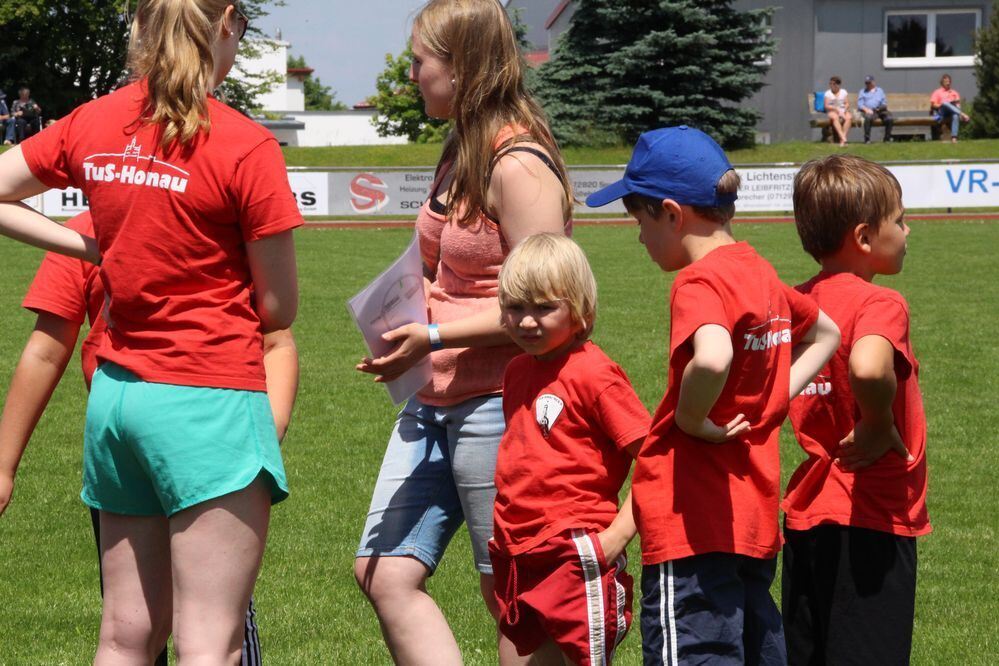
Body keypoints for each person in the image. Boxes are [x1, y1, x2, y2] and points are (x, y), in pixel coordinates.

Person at [0, 1, 301, 662]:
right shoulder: (245, 143)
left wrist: (87, 249)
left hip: (115, 400)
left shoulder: (95, 119)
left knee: (125, 634)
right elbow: (277, 309)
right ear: (225, 24)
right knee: (208, 640)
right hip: (208, 397)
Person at [352, 1, 574, 663]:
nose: (413, 75)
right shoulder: (461, 147)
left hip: (500, 407)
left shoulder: (518, 164)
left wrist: (436, 338)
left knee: (513, 603)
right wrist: (402, 327)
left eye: (423, 62)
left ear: (467, 67)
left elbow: (552, 305)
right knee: (385, 574)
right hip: (433, 401)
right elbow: (440, 272)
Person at [585, 126, 841, 666]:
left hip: (690, 521)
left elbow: (714, 356)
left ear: (673, 213)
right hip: (748, 518)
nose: (639, 240)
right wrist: (773, 398)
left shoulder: (699, 282)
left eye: (641, 223)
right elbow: (827, 335)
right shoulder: (760, 272)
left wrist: (693, 417)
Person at [0, 212, 300, 666]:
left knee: (212, 624)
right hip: (125, 453)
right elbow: (46, 348)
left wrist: (263, 431)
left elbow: (276, 339)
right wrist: (4, 463)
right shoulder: (84, 229)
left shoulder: (208, 222)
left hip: (211, 441)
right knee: (136, 628)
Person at [783, 155, 931, 664]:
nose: (908, 231)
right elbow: (868, 368)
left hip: (806, 513)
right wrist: (876, 423)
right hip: (874, 511)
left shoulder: (795, 303)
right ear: (865, 237)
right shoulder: (880, 303)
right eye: (901, 220)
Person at [490, 233, 650, 665]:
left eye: (544, 308)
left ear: (580, 311)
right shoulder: (517, 371)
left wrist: (616, 536)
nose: (526, 322)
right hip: (518, 548)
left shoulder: (596, 374)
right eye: (515, 307)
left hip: (575, 548)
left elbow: (656, 458)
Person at [930, 74, 970, 143]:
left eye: (949, 81)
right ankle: (963, 114)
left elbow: (957, 105)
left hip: (952, 112)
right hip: (942, 112)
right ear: (942, 83)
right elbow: (933, 105)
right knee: (945, 103)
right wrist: (942, 104)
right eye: (946, 82)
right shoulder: (937, 92)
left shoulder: (954, 93)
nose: (948, 83)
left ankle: (954, 138)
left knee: (955, 116)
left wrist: (954, 105)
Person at [857, 75, 894, 144]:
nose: (867, 84)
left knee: (889, 118)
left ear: (873, 82)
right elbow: (860, 105)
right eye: (866, 83)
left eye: (869, 83)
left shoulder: (880, 90)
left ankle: (887, 138)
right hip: (869, 111)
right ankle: (867, 139)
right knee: (867, 118)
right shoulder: (862, 92)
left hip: (880, 110)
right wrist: (866, 110)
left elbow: (884, 103)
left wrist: (880, 108)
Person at [824, 76, 851, 146]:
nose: (831, 85)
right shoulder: (828, 93)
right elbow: (826, 105)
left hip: (843, 110)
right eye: (830, 83)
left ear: (838, 85)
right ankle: (843, 138)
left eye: (833, 84)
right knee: (835, 117)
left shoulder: (843, 92)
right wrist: (836, 110)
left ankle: (842, 140)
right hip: (832, 111)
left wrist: (844, 110)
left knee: (849, 117)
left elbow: (847, 103)